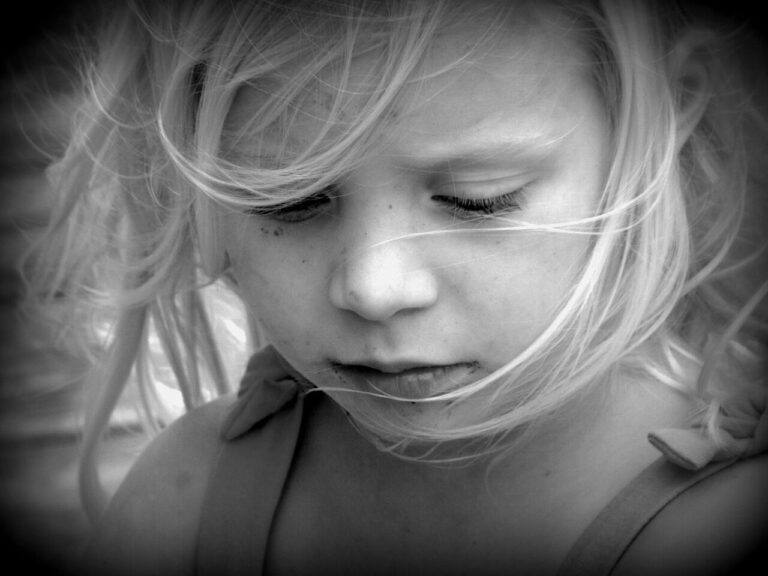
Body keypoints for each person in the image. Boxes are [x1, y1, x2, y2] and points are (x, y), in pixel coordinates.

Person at [20, 0, 768, 574]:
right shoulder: (182, 503)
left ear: (668, 130)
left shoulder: (725, 520)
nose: (375, 289)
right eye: (288, 203)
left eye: (479, 197)